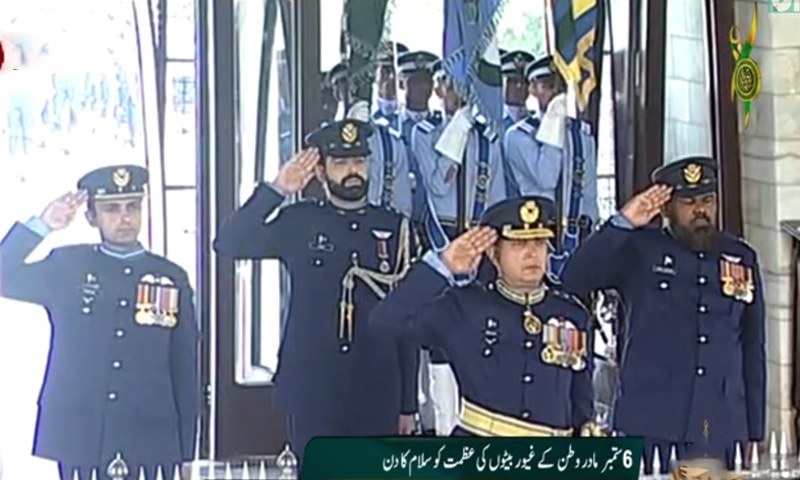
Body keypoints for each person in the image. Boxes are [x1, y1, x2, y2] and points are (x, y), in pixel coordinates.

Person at [213, 119, 420, 464]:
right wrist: (277, 189)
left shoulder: (396, 228)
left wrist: (408, 403)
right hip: (313, 388)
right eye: (341, 163)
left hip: (377, 387)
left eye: (359, 161)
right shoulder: (299, 221)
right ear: (321, 172)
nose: (352, 171)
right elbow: (229, 242)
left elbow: (407, 323)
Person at [561, 157, 766, 473]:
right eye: (689, 203)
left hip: (716, 425)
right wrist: (623, 223)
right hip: (650, 420)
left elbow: (753, 347)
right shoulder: (639, 249)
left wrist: (755, 430)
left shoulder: (740, 257)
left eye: (707, 200)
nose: (700, 210)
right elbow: (575, 279)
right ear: (667, 208)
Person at [0, 165, 199, 480]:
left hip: (148, 430)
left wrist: (186, 452)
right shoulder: (67, 265)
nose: (125, 218)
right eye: (111, 209)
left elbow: (184, 369)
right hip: (81, 428)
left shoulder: (170, 276)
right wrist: (43, 225)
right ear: (91, 217)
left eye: (133, 207)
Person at [370, 196, 603, 437]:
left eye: (539, 243)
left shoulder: (571, 314)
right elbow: (385, 320)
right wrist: (442, 266)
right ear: (493, 253)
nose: (531, 254)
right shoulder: (465, 307)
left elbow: (581, 402)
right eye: (518, 245)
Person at [500, 50, 534, 131]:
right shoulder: (492, 121)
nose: (519, 86)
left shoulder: (536, 121)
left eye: (524, 81)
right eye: (513, 81)